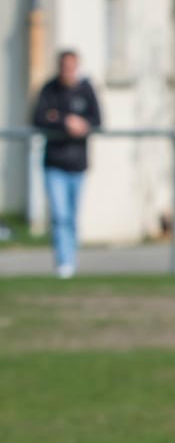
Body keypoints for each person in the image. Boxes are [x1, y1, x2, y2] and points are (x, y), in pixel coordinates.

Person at [33, 49, 101, 279]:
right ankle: (64, 262)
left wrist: (83, 124)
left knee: (71, 216)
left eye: (72, 66)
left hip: (78, 164)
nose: (68, 70)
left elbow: (98, 120)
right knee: (60, 215)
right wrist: (65, 121)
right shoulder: (49, 89)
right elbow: (38, 117)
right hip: (54, 163)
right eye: (65, 66)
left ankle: (71, 258)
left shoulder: (85, 89)